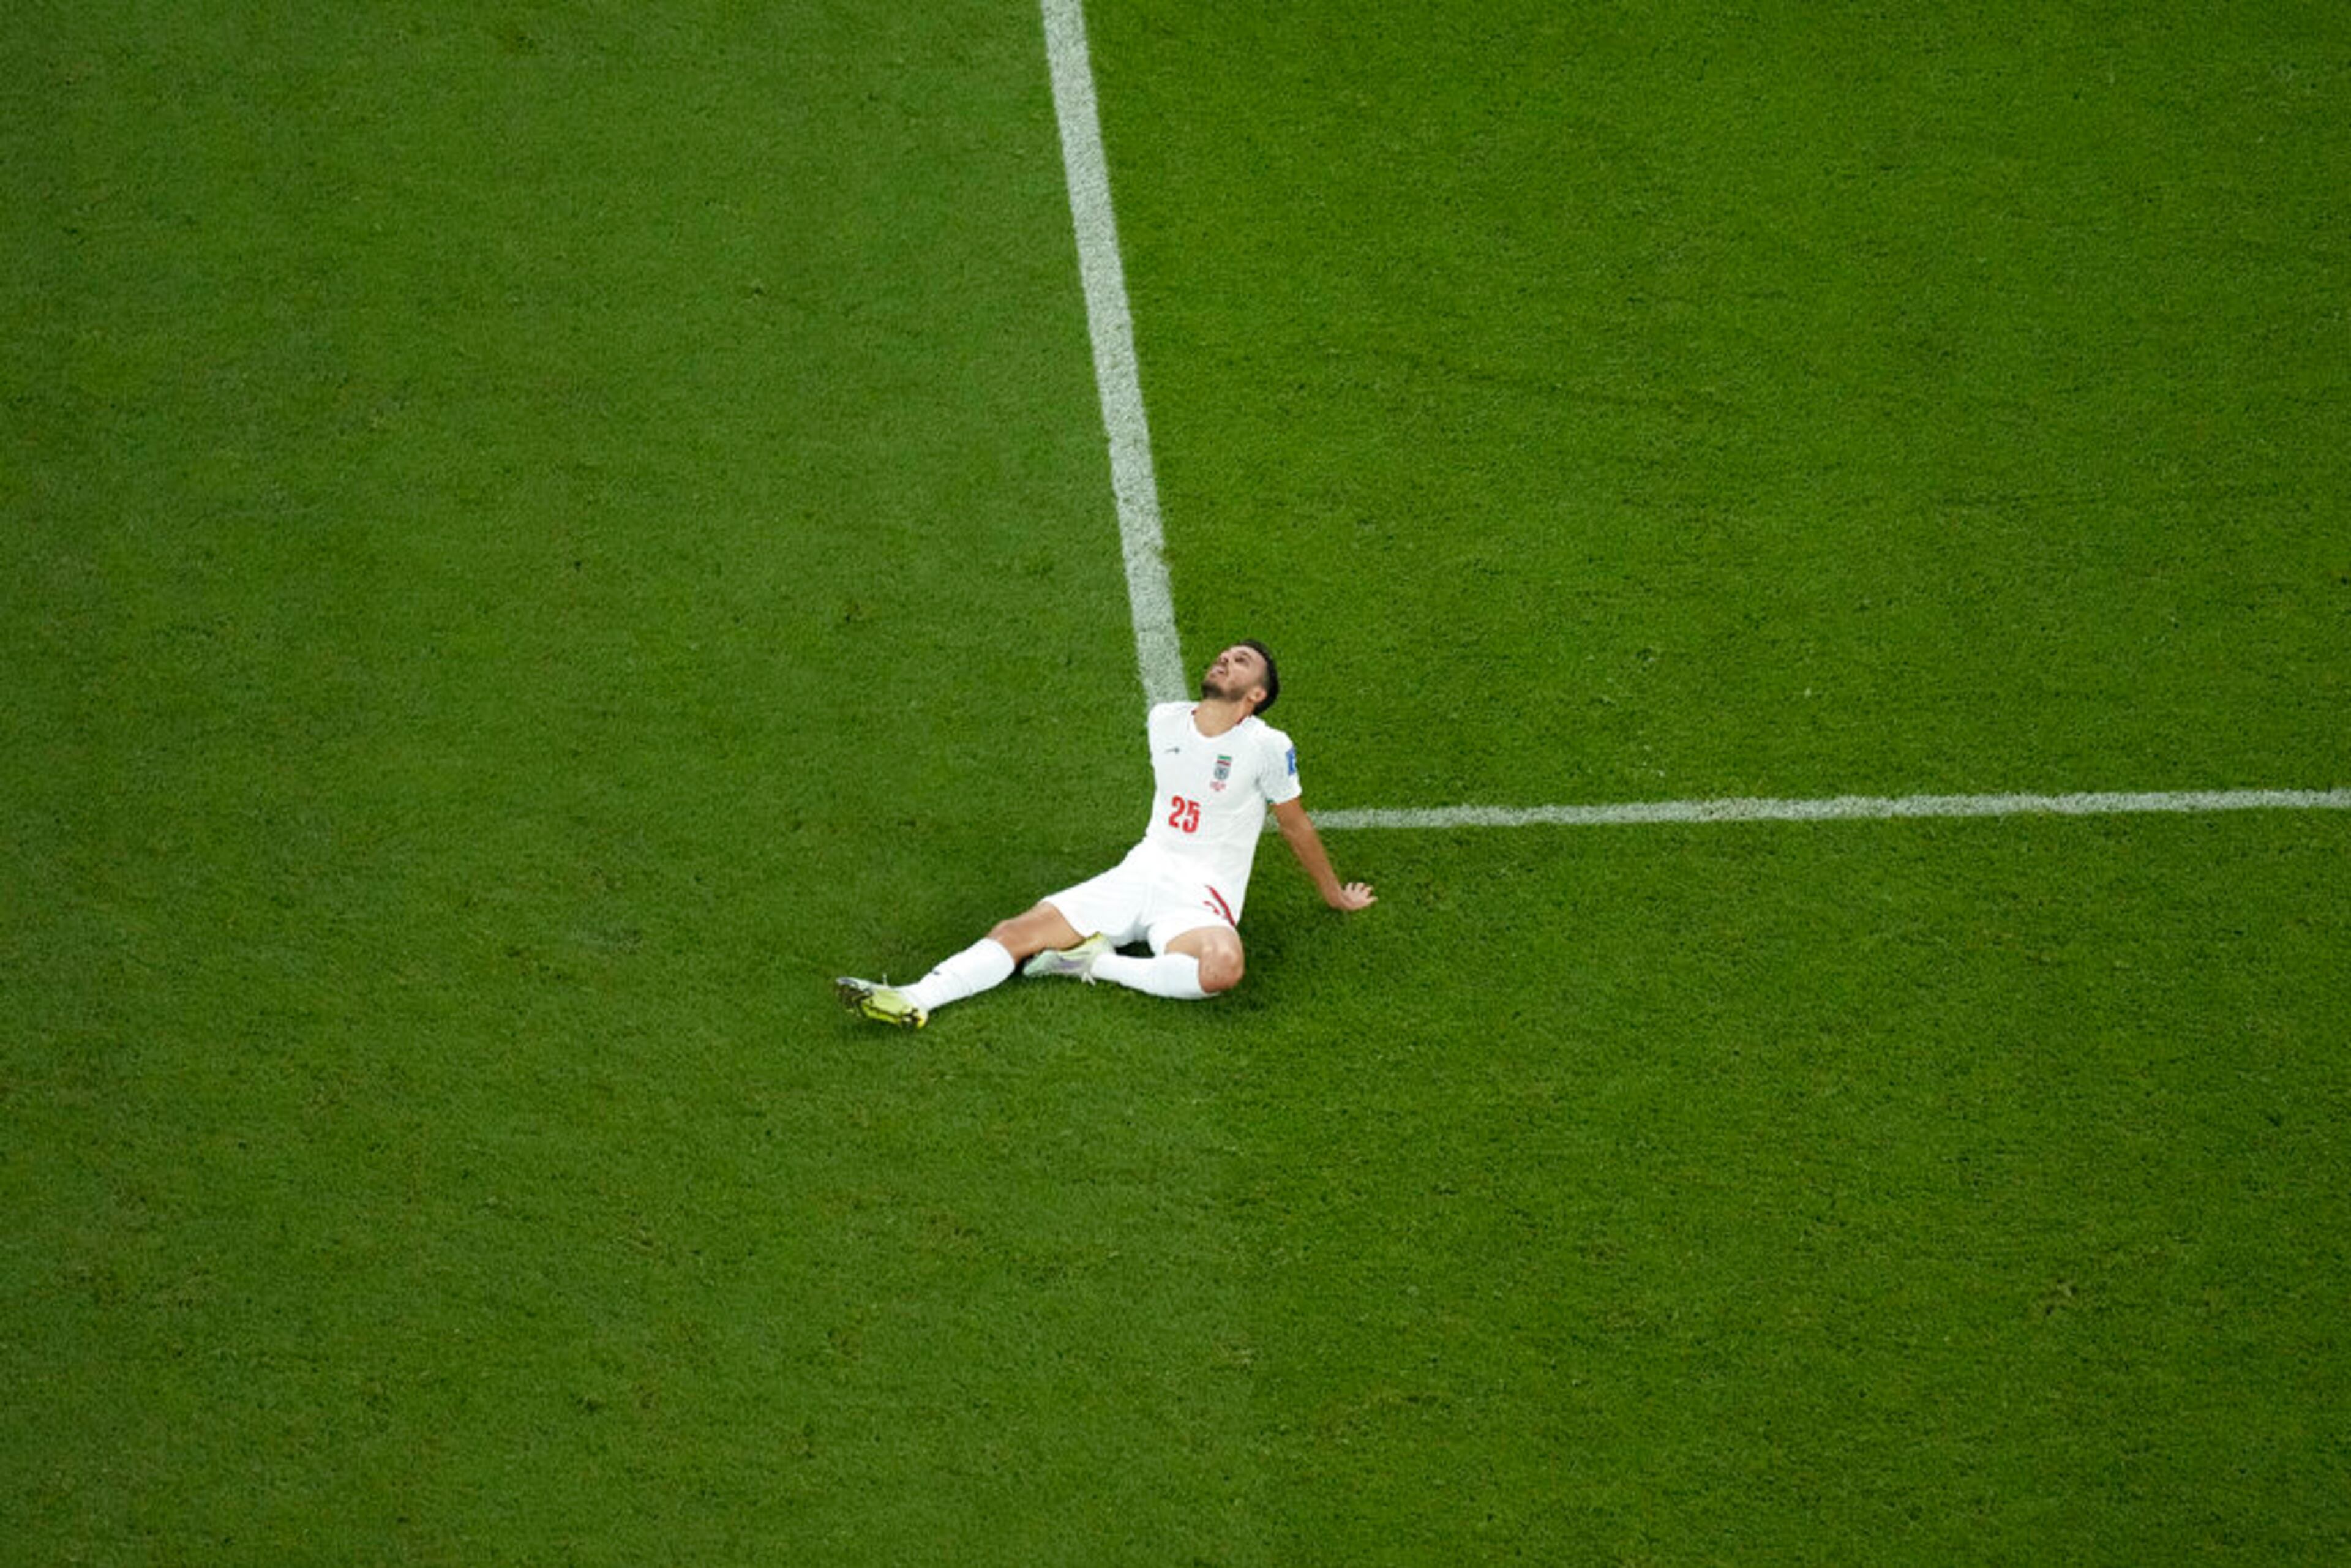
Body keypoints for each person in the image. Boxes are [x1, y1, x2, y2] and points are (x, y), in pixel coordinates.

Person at [836, 640, 1375, 1028]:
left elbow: (1295, 823)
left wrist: (1334, 895)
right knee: (1016, 931)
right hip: (1140, 872)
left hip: (1200, 897)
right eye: (1226, 653)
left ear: (1255, 694)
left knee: (1224, 967)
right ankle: (914, 995)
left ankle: (1095, 963)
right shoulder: (1164, 720)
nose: (1225, 659)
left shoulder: (1267, 747)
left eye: (1241, 662)